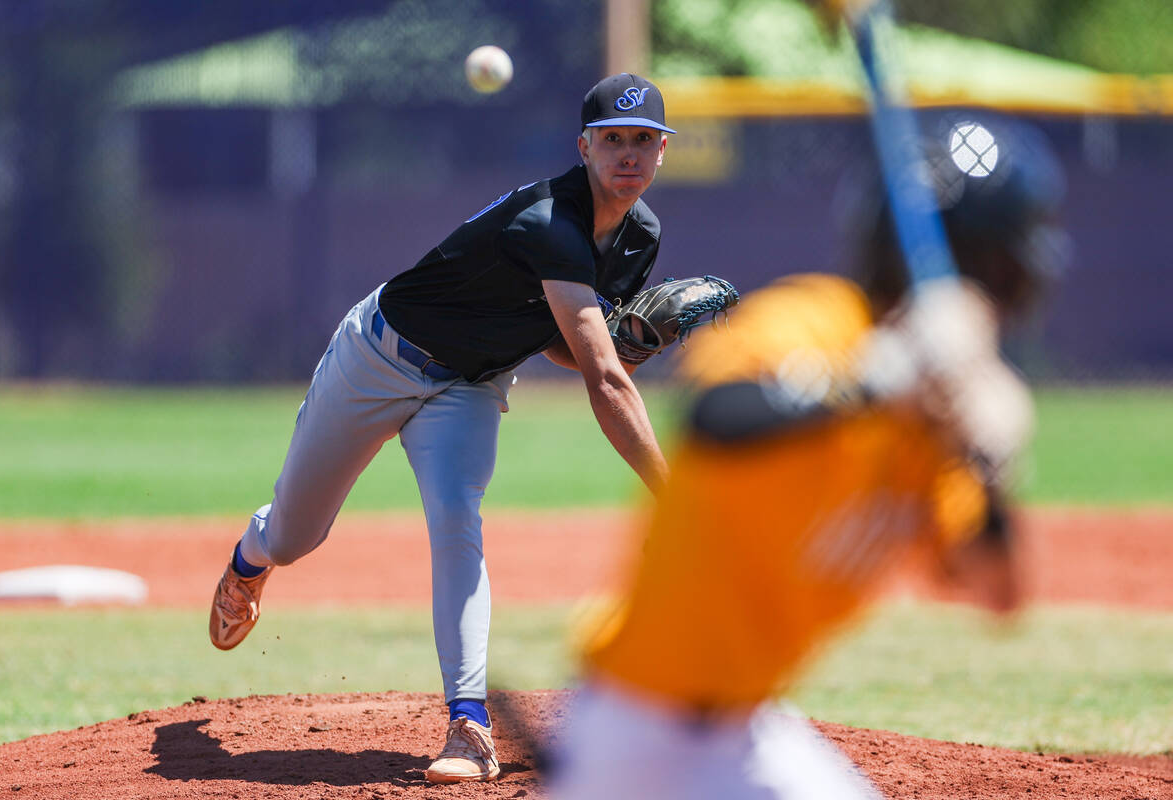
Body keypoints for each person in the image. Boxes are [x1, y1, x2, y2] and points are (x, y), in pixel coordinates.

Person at [550, 117, 1068, 800]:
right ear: (994, 266)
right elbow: (715, 420)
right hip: (634, 732)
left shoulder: (938, 429)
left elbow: (995, 591)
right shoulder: (817, 323)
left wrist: (991, 466)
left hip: (746, 731)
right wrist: (885, 375)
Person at [208, 73, 680, 784]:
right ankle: (252, 553)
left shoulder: (640, 236)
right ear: (584, 147)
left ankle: (469, 726)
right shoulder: (549, 220)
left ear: (663, 152)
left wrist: (627, 342)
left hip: (469, 385)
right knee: (297, 537)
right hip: (378, 358)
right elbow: (602, 378)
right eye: (613, 138)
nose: (628, 155)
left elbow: (563, 345)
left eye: (644, 140)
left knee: (458, 518)